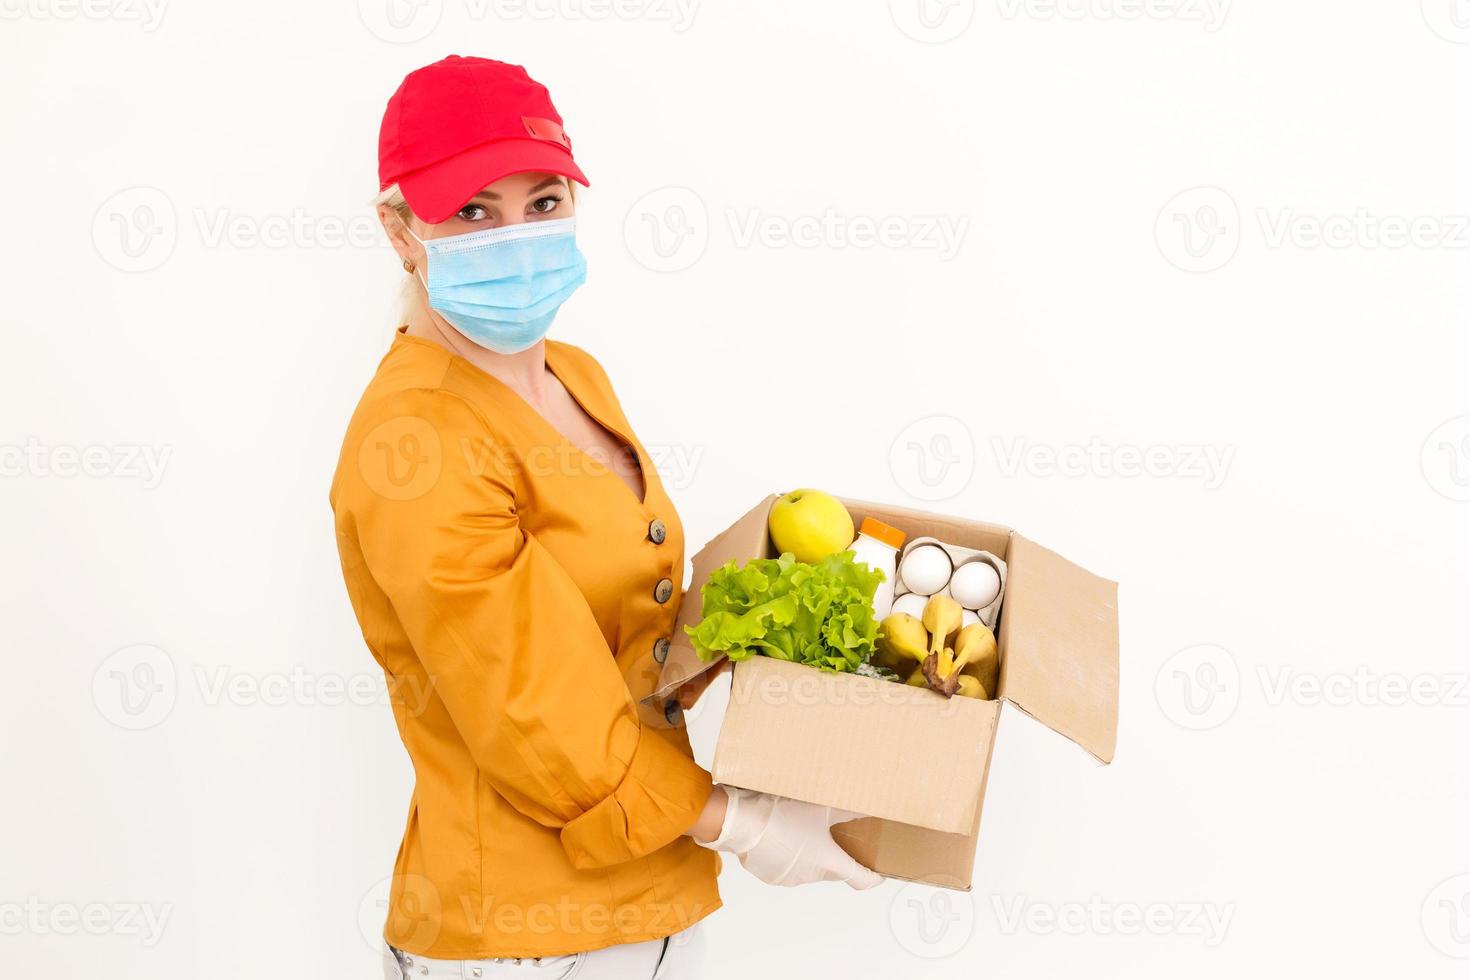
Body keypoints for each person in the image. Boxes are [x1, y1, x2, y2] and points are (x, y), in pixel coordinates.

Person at [329, 55, 883, 980]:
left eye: (542, 203)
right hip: (519, 938)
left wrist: (767, 639)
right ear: (399, 230)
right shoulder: (414, 444)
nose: (515, 236)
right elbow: (533, 712)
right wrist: (746, 824)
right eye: (472, 212)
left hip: (643, 905)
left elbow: (625, 618)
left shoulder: (573, 376)